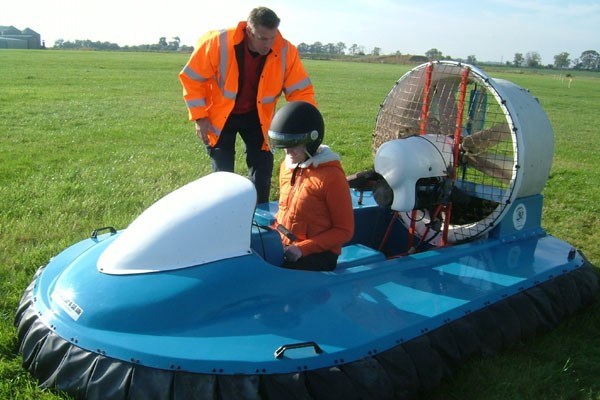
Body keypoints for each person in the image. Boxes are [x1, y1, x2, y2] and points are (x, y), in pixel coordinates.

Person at [179, 7, 316, 204]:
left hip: (259, 117)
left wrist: (306, 123)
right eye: (262, 38)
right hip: (221, 116)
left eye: (272, 37)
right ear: (249, 31)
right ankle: (224, 217)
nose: (269, 44)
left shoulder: (286, 50)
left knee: (262, 173)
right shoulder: (218, 43)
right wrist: (200, 118)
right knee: (222, 177)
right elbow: (192, 79)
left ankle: (258, 221)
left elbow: (300, 91)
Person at [268, 101, 354, 271]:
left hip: (318, 255)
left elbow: (344, 230)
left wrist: (302, 248)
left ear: (311, 141)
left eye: (293, 145)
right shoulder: (287, 166)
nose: (287, 151)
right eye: (284, 145)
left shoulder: (332, 177)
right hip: (285, 245)